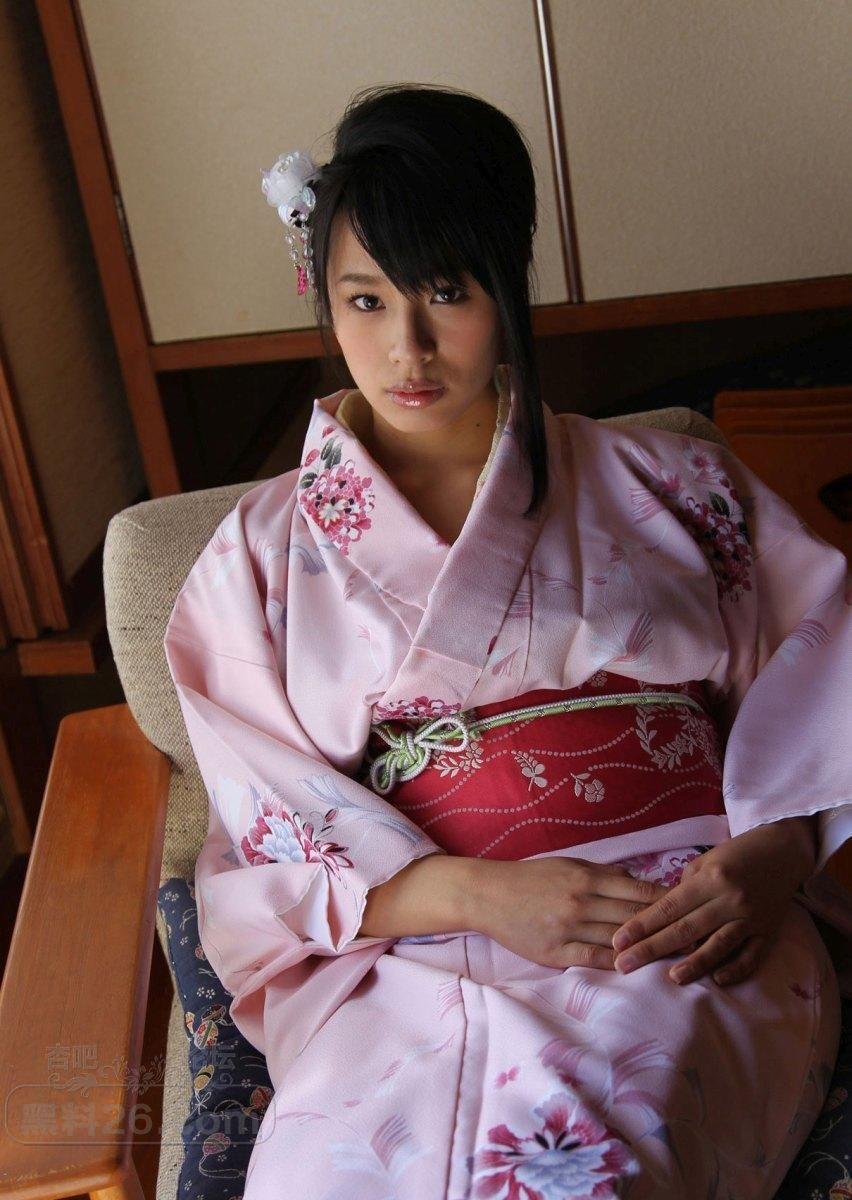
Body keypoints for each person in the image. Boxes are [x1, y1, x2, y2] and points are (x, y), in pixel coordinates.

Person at [163, 83, 851, 1199]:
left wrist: (773, 859)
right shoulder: (259, 552)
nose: (407, 347)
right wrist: (477, 897)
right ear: (321, 299)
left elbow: (825, 679)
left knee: (585, 1166)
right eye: (365, 300)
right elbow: (265, 835)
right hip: (403, 952)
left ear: (508, 285)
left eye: (447, 292)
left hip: (668, 921)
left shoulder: (675, 485)